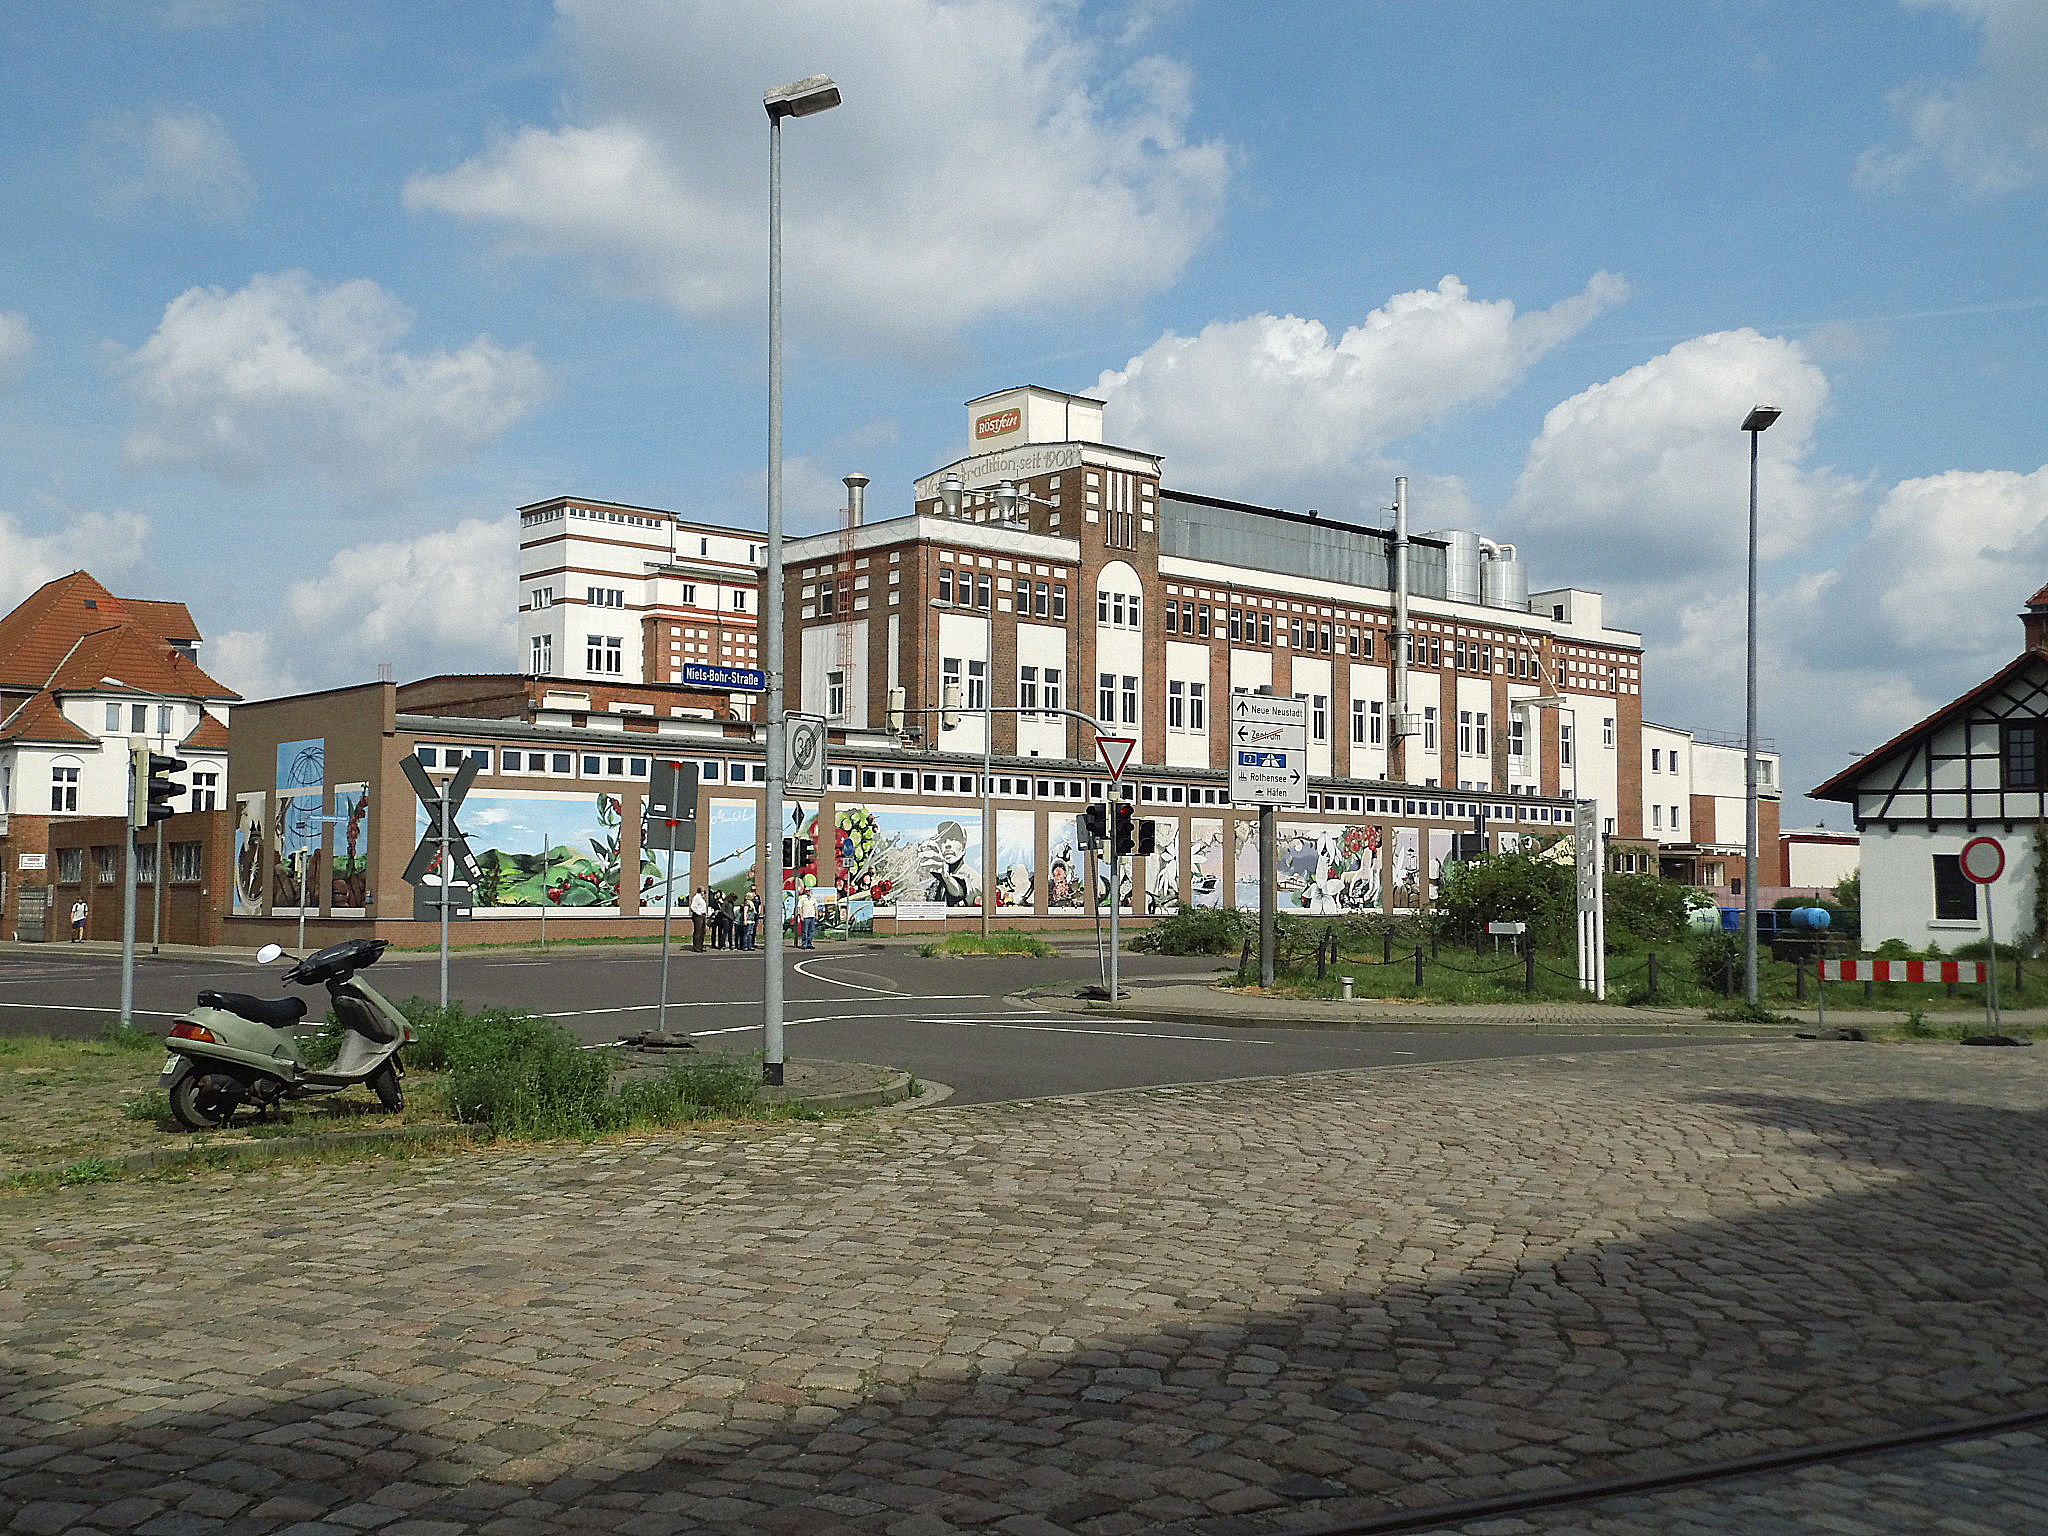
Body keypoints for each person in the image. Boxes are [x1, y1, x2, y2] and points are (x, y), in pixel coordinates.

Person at [688, 886, 709, 952]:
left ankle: (700, 945)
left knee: (702, 931)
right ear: (700, 891)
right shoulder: (696, 897)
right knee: (698, 931)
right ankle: (696, 947)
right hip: (698, 916)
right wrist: (699, 913)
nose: (704, 893)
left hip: (702, 916)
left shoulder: (701, 898)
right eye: (703, 891)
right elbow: (693, 907)